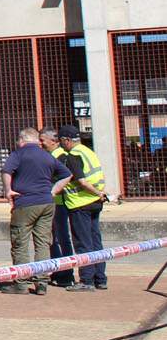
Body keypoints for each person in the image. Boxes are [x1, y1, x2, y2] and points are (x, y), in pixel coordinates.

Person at [0, 127, 71, 295]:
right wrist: (53, 191)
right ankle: (41, 283)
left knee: (20, 244)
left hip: (25, 203)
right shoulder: (47, 155)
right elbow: (67, 174)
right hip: (46, 203)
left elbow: (6, 171)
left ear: (22, 140)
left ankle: (21, 283)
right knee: (43, 243)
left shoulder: (18, 154)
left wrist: (8, 190)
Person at [58, 125, 108, 291]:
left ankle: (86, 280)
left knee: (83, 243)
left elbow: (82, 181)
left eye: (61, 141)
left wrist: (98, 193)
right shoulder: (88, 152)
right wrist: (99, 194)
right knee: (95, 241)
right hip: (94, 203)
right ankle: (100, 278)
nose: (60, 145)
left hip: (80, 203)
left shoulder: (73, 155)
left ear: (67, 140)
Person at [40, 127, 76, 287]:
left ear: (53, 141)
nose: (40, 143)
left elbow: (64, 178)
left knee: (61, 239)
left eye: (42, 140)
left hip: (59, 203)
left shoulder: (60, 157)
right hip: (54, 202)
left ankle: (66, 274)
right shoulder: (51, 156)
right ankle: (57, 271)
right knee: (53, 239)